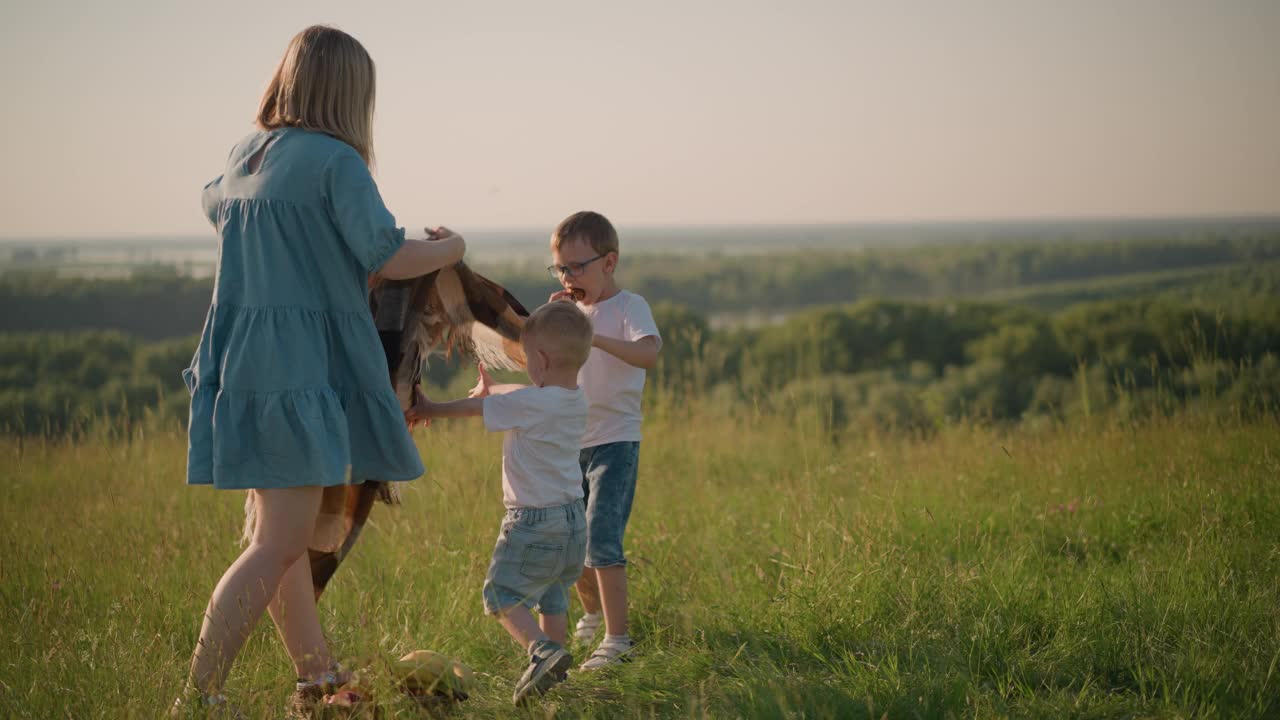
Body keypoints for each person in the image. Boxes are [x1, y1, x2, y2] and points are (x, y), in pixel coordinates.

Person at [174, 25, 466, 716]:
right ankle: (199, 697)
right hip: (299, 368)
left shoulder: (247, 153)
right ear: (349, 94)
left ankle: (316, 680)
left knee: (284, 536)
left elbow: (214, 202)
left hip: (243, 359)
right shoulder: (337, 161)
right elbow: (386, 254)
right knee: (277, 543)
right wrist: (450, 245)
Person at [408, 301, 594, 704]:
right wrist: (496, 391)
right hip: (574, 522)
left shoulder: (530, 403)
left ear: (540, 359)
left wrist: (430, 408)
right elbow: (525, 396)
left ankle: (542, 651)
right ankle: (551, 679)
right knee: (553, 595)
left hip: (533, 521)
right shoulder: (576, 399)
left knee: (500, 596)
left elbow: (480, 408)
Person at [547, 211, 661, 669]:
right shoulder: (569, 312)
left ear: (609, 263)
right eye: (561, 268)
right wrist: (554, 322)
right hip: (570, 441)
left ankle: (618, 640)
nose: (569, 277)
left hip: (615, 441)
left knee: (601, 536)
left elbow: (649, 353)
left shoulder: (629, 306)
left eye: (578, 267)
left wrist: (596, 337)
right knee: (573, 539)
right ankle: (594, 614)